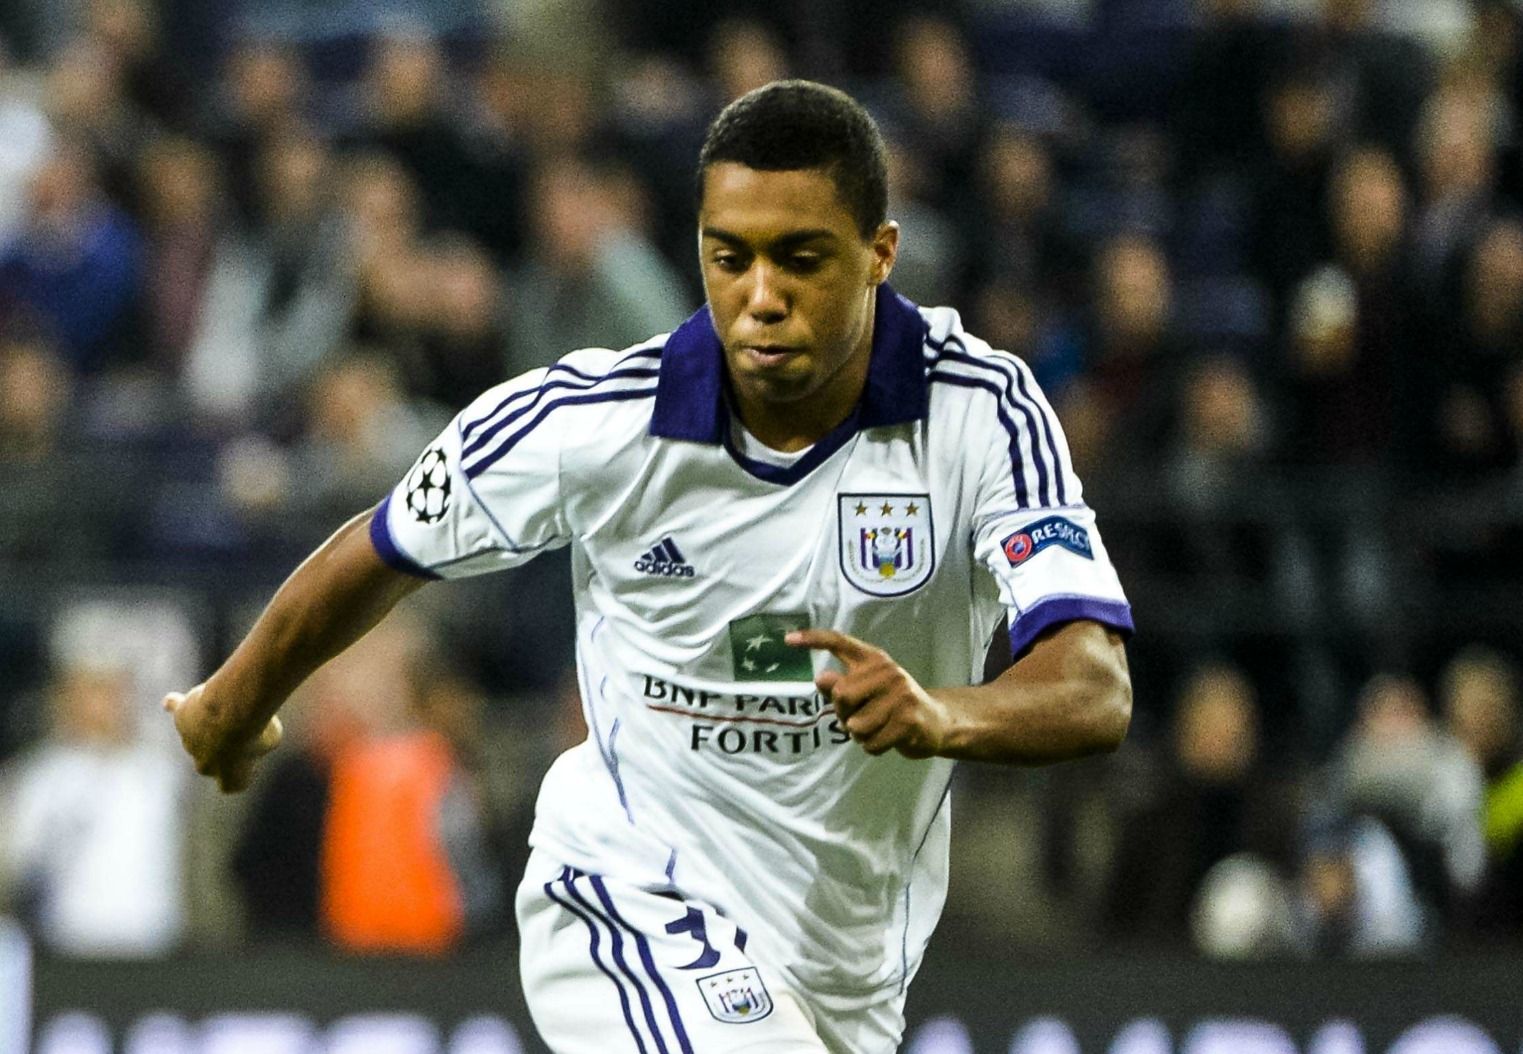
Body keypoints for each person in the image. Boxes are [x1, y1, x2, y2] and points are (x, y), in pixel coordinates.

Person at [163, 81, 1133, 1054]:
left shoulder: (979, 415)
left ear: (879, 253)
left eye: (799, 258)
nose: (760, 297)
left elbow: (1093, 685)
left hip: (847, 971)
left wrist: (944, 714)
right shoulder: (595, 422)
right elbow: (383, 548)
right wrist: (228, 704)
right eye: (729, 257)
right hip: (629, 898)